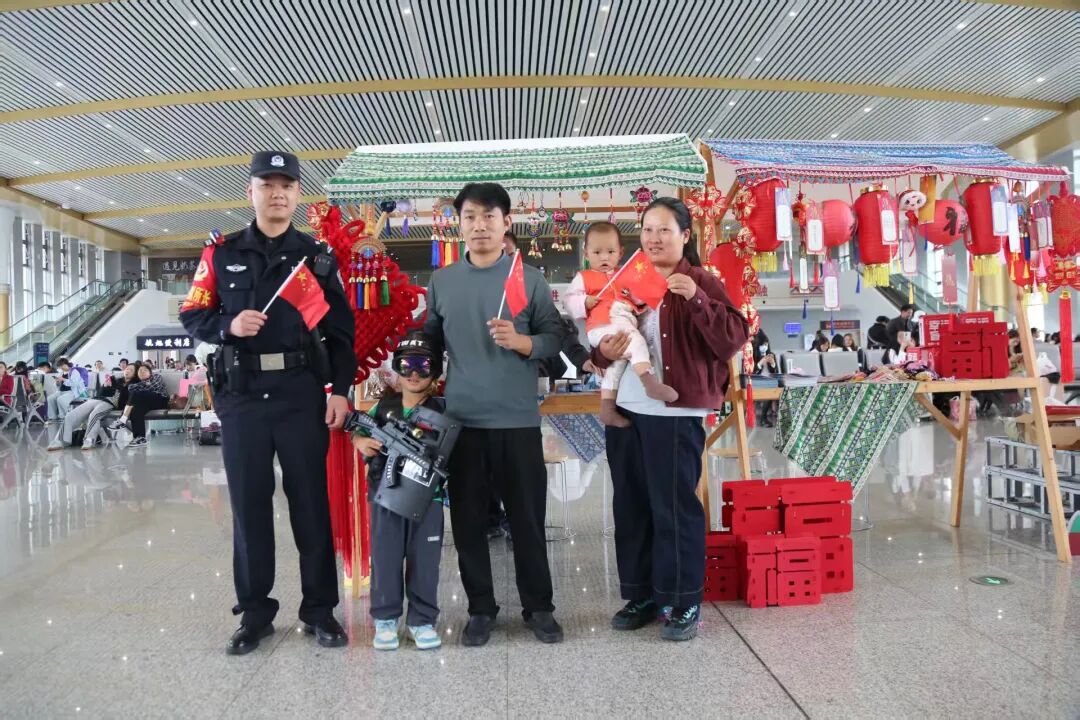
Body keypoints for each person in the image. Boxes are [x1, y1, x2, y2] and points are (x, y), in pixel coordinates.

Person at [179, 150, 356, 656]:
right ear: (251, 191)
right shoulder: (221, 254)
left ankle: (319, 610)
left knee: (311, 506)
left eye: (287, 185)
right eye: (267, 184)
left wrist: (341, 391)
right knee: (249, 508)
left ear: (298, 194)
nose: (277, 193)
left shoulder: (316, 258)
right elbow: (192, 313)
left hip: (301, 395)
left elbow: (341, 334)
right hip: (242, 398)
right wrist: (227, 326)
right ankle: (254, 613)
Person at [593, 197, 749, 641]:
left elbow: (733, 338)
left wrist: (696, 298)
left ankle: (683, 601)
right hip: (627, 408)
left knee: (675, 507)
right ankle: (641, 594)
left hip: (675, 412)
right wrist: (601, 352)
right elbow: (602, 336)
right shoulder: (629, 279)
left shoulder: (701, 280)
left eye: (664, 229)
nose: (654, 238)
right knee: (631, 506)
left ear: (685, 235)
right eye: (647, 229)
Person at [423, 182, 565, 647]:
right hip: (463, 423)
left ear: (507, 223)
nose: (479, 225)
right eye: (470, 216)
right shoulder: (442, 282)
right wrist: (408, 373)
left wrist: (523, 343)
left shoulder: (529, 279)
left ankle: (539, 607)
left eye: (489, 216)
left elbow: (555, 337)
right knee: (468, 525)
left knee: (527, 522)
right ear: (459, 224)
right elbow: (429, 344)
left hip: (518, 421)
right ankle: (480, 609)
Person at [352, 332, 446, 651]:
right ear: (396, 368)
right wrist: (360, 441)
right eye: (407, 365)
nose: (414, 373)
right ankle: (386, 618)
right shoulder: (384, 407)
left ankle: (422, 620)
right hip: (386, 495)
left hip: (427, 499)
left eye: (423, 366)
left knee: (425, 561)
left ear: (435, 371)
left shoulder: (442, 411)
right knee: (385, 557)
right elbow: (358, 430)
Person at [564, 221, 676, 426]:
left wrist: (641, 294)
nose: (604, 257)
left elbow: (637, 298)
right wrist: (584, 301)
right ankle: (650, 383)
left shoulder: (624, 276)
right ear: (586, 254)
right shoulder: (583, 277)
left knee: (616, 364)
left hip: (622, 321)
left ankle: (607, 408)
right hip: (602, 324)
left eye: (610, 252)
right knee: (636, 341)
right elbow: (569, 300)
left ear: (620, 253)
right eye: (597, 252)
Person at [49, 364, 133, 451]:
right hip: (96, 399)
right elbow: (101, 393)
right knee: (70, 415)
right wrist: (105, 386)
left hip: (110, 403)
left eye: (131, 370)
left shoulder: (133, 385)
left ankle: (89, 440)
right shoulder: (115, 379)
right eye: (127, 369)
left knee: (94, 415)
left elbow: (124, 399)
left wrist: (116, 387)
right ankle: (61, 441)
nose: (128, 371)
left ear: (135, 374)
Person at [110, 363, 168, 447]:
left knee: (136, 394)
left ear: (150, 372)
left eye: (145, 370)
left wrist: (141, 387)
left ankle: (123, 419)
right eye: (140, 371)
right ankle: (140, 437)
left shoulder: (156, 377)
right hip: (146, 403)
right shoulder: (136, 383)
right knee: (136, 409)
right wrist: (144, 385)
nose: (142, 372)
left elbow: (153, 386)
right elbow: (130, 388)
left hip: (160, 400)